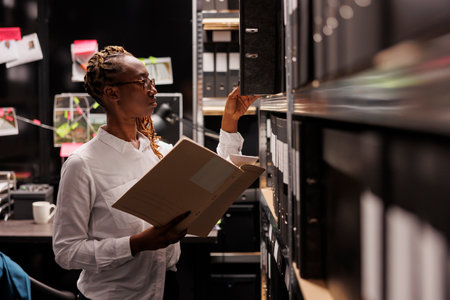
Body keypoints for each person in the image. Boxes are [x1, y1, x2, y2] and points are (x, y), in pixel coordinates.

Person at [52, 45, 258, 300]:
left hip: (166, 290)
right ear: (112, 93)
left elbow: (214, 182)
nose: (153, 89)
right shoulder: (82, 164)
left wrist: (230, 120)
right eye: (142, 82)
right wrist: (135, 244)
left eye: (150, 80)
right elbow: (66, 252)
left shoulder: (160, 150)